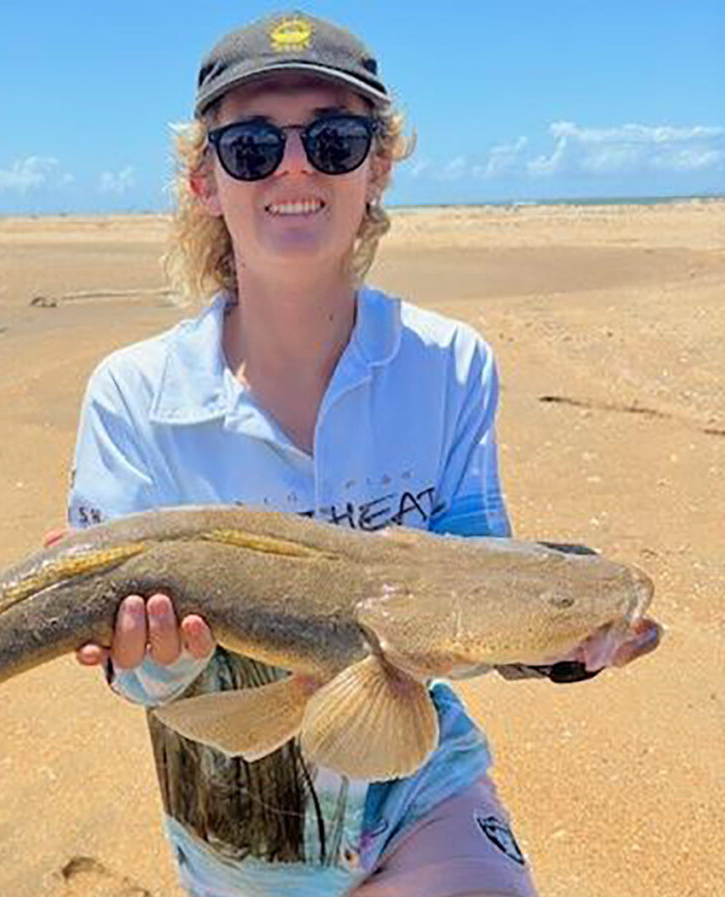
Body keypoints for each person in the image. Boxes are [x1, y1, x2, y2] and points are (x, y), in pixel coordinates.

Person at [58, 11, 659, 897]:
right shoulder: (134, 395)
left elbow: (478, 593)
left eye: (335, 140)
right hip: (235, 837)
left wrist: (563, 645)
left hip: (423, 792)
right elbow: (140, 684)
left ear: (378, 167)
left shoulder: (449, 363)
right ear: (205, 179)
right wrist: (152, 657)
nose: (295, 166)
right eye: (253, 147)